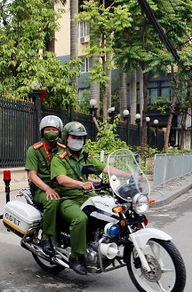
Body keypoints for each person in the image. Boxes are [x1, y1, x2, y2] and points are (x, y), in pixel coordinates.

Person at [50, 121, 132, 275]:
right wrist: (81, 184)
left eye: (80, 138)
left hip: (87, 195)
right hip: (67, 198)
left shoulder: (85, 156)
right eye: (74, 137)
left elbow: (105, 168)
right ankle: (76, 256)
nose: (77, 140)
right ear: (66, 138)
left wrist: (129, 175)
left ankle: (104, 240)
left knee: (111, 208)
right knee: (80, 218)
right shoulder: (59, 159)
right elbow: (61, 179)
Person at [24, 115, 65, 254]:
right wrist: (47, 188)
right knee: (53, 202)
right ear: (42, 132)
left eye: (54, 129)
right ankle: (46, 238)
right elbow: (32, 175)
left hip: (61, 186)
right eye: (47, 129)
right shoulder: (34, 150)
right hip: (41, 189)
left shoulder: (63, 150)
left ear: (60, 132)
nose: (51, 132)